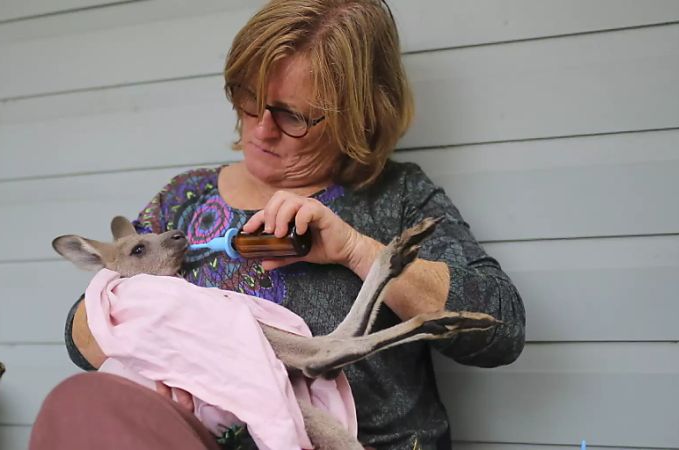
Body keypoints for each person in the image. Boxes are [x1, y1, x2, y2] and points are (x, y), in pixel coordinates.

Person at [30, 1, 525, 449]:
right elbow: (84, 336)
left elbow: (500, 329)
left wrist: (355, 249)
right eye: (248, 97)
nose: (261, 129)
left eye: (292, 115)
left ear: (356, 115)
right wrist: (167, 349)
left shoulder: (396, 196)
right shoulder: (185, 198)